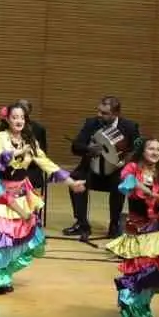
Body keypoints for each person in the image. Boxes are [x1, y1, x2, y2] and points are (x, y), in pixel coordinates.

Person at [0, 103, 86, 293]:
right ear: (7, 119)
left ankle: (4, 275)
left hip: (23, 194)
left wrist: (71, 182)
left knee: (21, 237)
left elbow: (46, 163)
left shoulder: (30, 141)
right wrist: (19, 152)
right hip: (3, 195)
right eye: (15, 117)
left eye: (22, 117)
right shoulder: (0, 137)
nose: (19, 121)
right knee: (3, 237)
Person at [105, 138, 159, 317]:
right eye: (151, 148)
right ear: (143, 151)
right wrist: (147, 191)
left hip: (157, 231)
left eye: (158, 149)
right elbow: (127, 181)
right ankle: (130, 313)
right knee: (137, 272)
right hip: (138, 231)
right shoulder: (132, 168)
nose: (155, 152)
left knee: (157, 271)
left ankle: (140, 310)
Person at [64, 96, 139, 240]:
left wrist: (125, 160)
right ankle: (82, 223)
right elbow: (76, 147)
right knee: (75, 178)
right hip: (92, 170)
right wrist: (89, 149)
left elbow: (138, 149)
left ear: (116, 114)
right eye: (98, 111)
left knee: (121, 181)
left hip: (115, 171)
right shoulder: (91, 123)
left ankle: (114, 224)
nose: (99, 115)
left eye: (104, 113)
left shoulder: (129, 126)